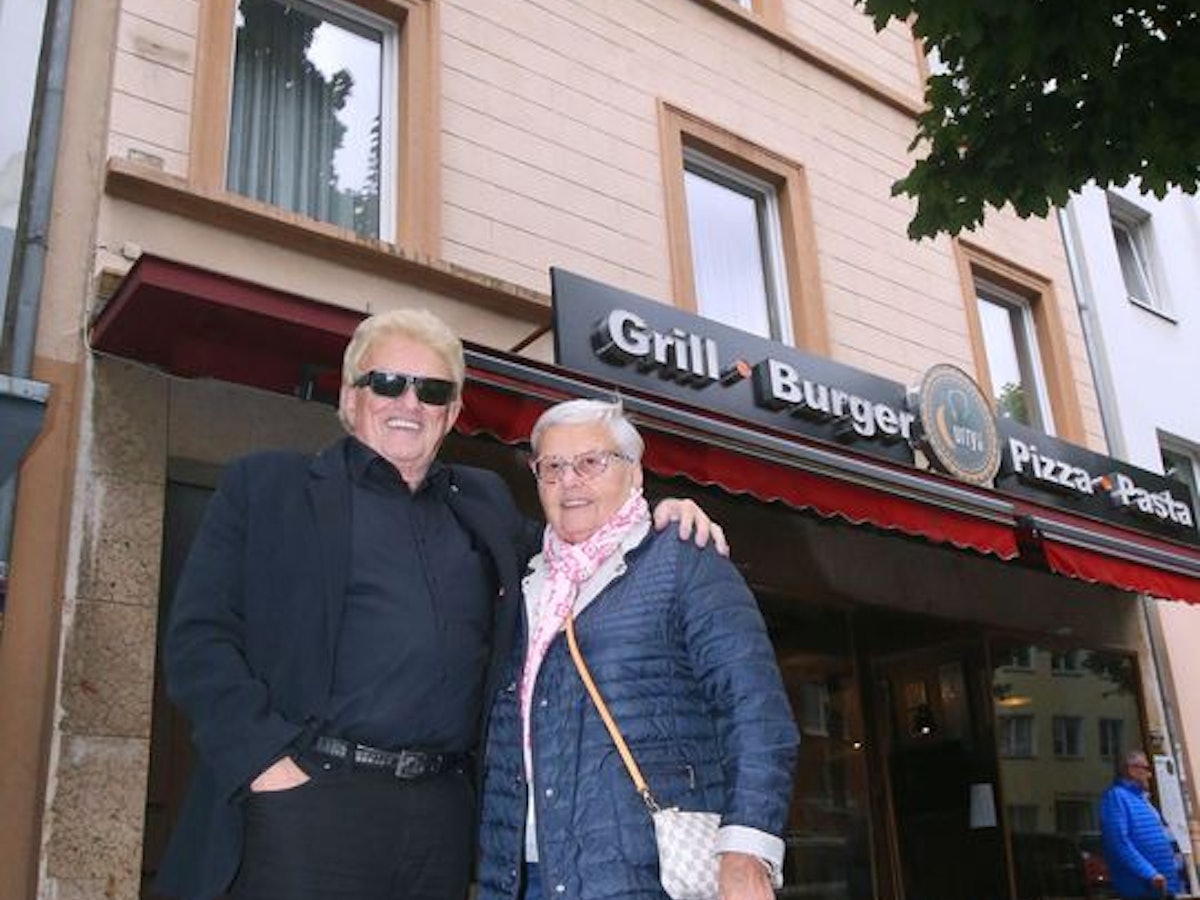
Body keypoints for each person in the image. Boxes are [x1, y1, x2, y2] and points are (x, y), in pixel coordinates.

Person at [156, 309, 726, 900]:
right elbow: (199, 640)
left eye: (431, 391)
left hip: (440, 818)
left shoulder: (482, 502)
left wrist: (652, 517)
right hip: (307, 802)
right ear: (350, 397)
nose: (409, 402)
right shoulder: (268, 487)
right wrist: (265, 765)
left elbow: (578, 538)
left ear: (451, 413)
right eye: (387, 383)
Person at [476, 399, 799, 900]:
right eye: (552, 467)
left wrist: (746, 849)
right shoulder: (523, 578)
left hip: (644, 877)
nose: (569, 481)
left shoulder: (682, 558)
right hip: (522, 876)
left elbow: (755, 710)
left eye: (591, 462)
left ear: (635, 473)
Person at [1101, 749, 1184, 899]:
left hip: (1164, 888)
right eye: (1146, 769)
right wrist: (1150, 874)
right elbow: (1118, 842)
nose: (1150, 775)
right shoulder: (1116, 797)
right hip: (1141, 889)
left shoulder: (1142, 799)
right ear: (1132, 770)